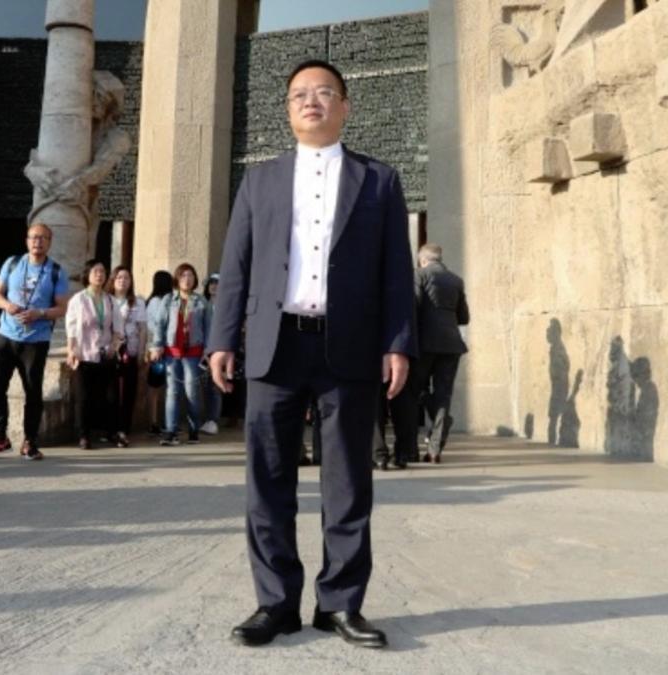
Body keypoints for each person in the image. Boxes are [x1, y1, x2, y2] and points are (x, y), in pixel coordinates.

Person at [208, 60, 415, 648]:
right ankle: (275, 604)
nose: (312, 102)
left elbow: (396, 275)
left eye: (325, 93)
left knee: (348, 482)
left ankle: (340, 604)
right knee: (267, 481)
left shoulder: (379, 180)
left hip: (347, 348)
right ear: (288, 109)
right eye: (300, 94)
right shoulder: (261, 180)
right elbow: (239, 264)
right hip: (275, 347)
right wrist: (223, 338)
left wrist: (398, 343)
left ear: (345, 106)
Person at [0, 223, 70, 460]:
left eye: (42, 238)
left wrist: (39, 313)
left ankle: (30, 441)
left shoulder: (56, 271)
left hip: (36, 340)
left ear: (50, 242)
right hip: (6, 336)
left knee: (33, 392)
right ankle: (0, 437)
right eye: (33, 237)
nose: (37, 242)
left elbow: (62, 308)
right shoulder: (12, 263)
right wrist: (7, 305)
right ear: (26, 240)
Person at [414, 243, 469, 463]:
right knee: (443, 393)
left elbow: (414, 306)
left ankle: (441, 421)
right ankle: (435, 448)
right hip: (451, 344)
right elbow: (464, 317)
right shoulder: (456, 280)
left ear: (423, 260)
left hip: (424, 343)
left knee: (415, 388)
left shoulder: (419, 275)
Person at [149, 263, 212, 447]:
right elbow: (160, 325)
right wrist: (157, 346)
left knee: (192, 392)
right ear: (177, 279)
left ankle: (194, 429)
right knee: (172, 392)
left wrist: (208, 351)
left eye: (190, 275)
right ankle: (171, 431)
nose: (187, 279)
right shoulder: (168, 300)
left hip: (194, 353)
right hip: (172, 352)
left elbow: (209, 327)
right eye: (183, 275)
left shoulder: (202, 302)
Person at [65, 260, 122, 449]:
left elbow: (118, 327)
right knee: (84, 397)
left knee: (111, 396)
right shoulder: (78, 299)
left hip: (106, 353)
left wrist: (114, 345)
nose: (100, 275)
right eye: (96, 271)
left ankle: (111, 432)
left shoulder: (111, 300)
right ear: (87, 275)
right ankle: (84, 435)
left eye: (103, 271)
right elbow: (71, 328)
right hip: (84, 354)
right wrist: (71, 350)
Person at [110, 265, 147, 447]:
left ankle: (123, 429)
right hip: (109, 352)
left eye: (126, 278)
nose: (122, 281)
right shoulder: (107, 300)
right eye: (119, 278)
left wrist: (140, 351)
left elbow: (142, 329)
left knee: (128, 392)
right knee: (111, 392)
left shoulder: (138, 302)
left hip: (129, 351)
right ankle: (111, 429)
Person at [143, 271, 173, 435]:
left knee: (160, 387)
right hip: (158, 349)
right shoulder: (157, 302)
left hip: (161, 348)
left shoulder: (156, 301)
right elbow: (154, 326)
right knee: (156, 387)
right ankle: (154, 421)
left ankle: (159, 420)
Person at [200, 272, 222, 435]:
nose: (214, 286)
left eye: (217, 283)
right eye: (211, 283)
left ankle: (213, 420)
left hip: (218, 349)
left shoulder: (226, 305)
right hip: (202, 350)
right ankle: (207, 419)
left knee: (214, 386)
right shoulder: (203, 303)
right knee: (206, 386)